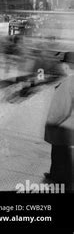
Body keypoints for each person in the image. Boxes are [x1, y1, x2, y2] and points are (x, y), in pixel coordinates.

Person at [44, 52, 74, 191]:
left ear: (68, 66)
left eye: (63, 63)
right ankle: (56, 175)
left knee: (60, 156)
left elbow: (60, 110)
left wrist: (51, 123)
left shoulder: (68, 83)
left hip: (64, 129)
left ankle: (60, 180)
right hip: (68, 128)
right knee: (60, 156)